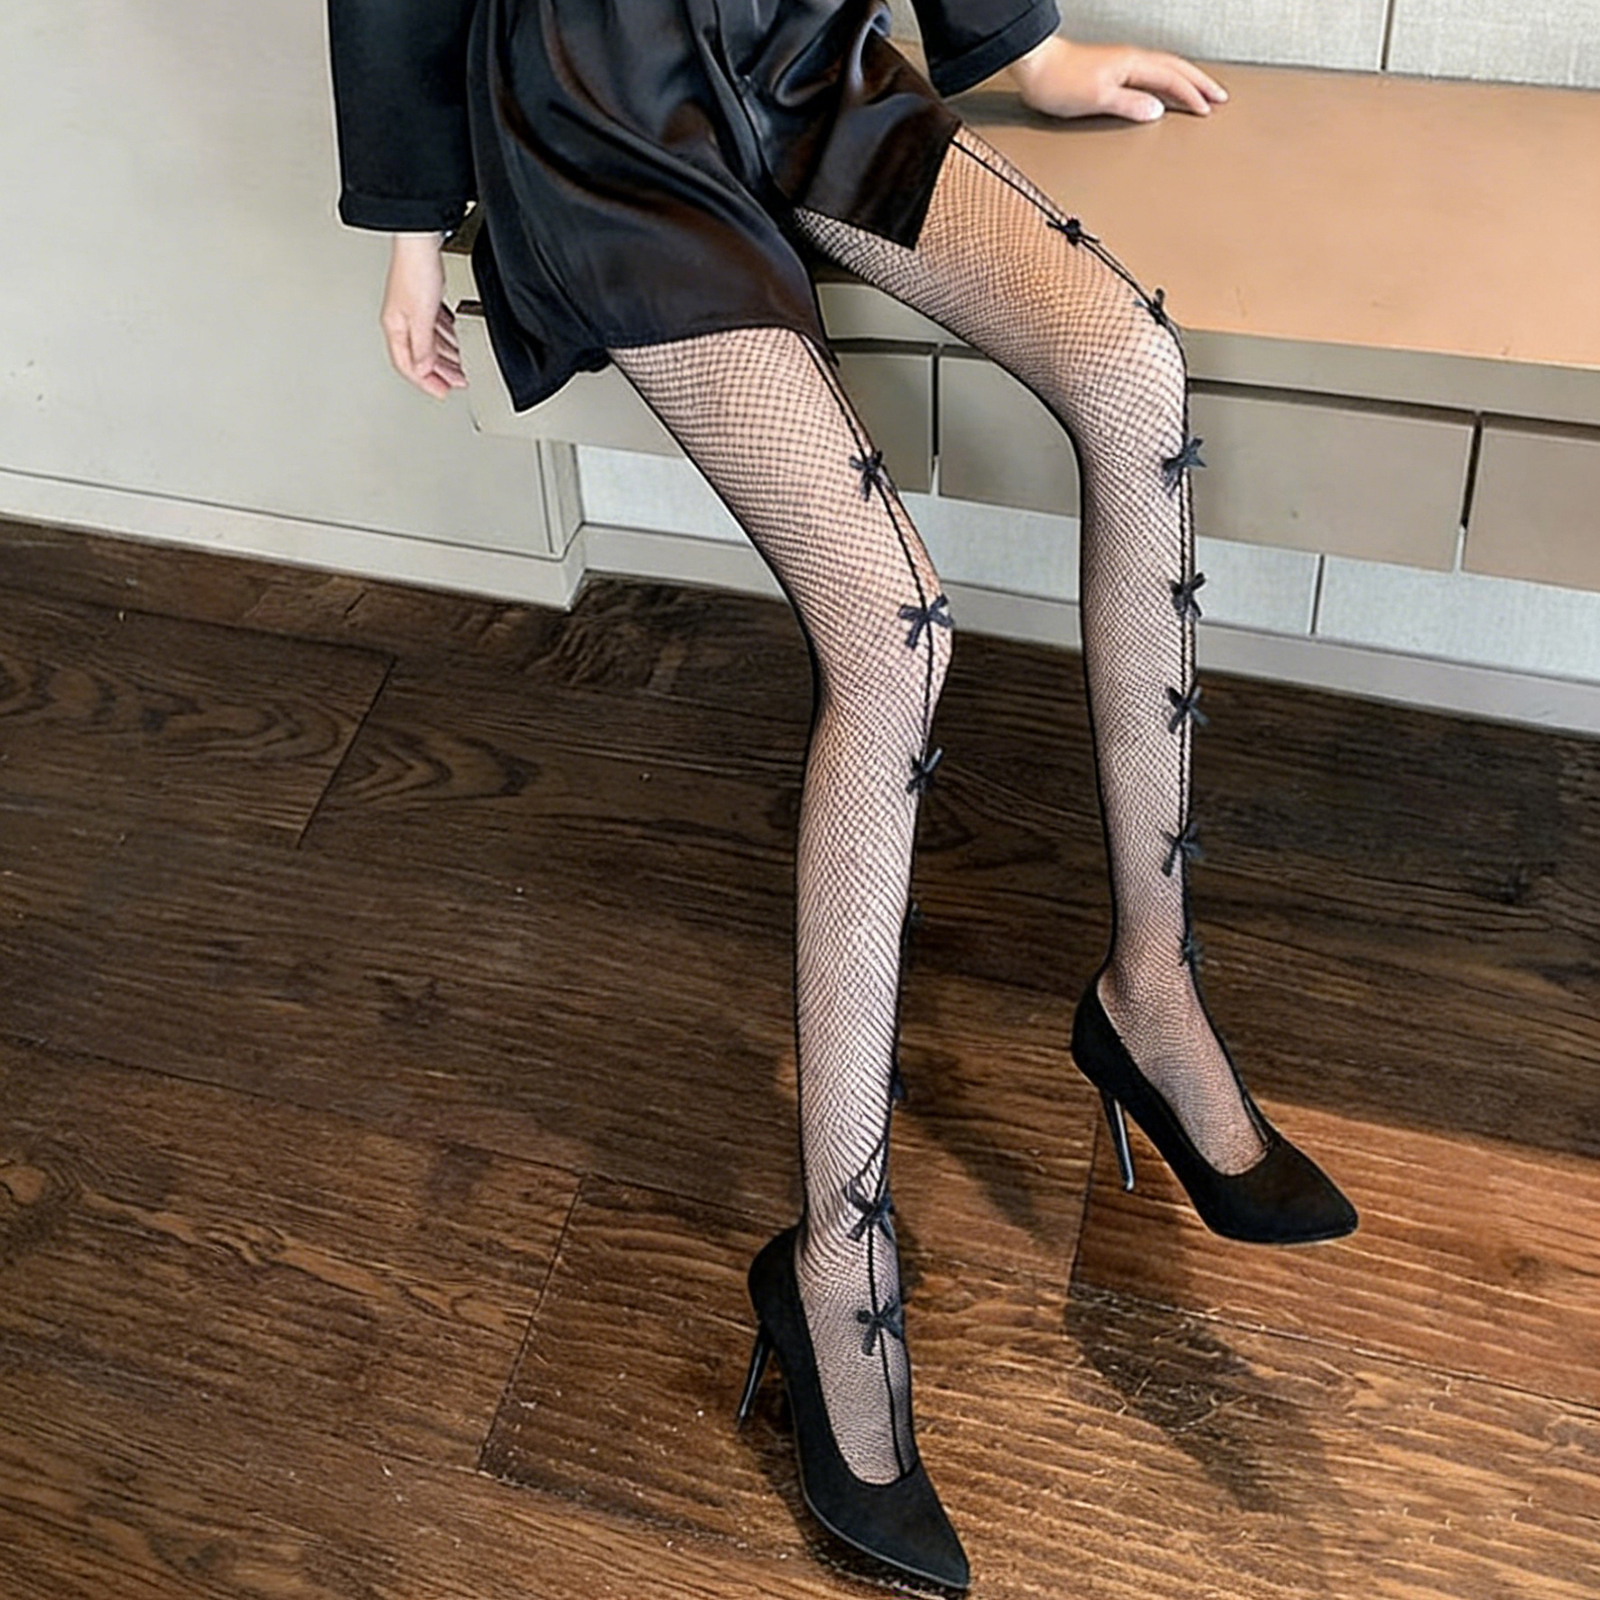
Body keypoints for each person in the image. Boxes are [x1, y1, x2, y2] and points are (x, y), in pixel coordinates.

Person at [326, 3, 1358, 1589]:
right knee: (895, 628)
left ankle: (1150, 994)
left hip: (807, 51)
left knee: (1132, 371)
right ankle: (833, 1267)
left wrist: (1017, 48)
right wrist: (411, 222)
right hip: (602, 118)